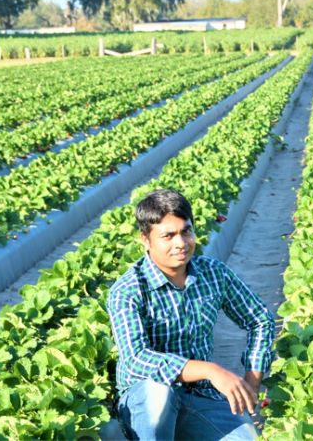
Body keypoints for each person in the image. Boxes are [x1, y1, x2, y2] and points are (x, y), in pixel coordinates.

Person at [107, 189, 275, 440]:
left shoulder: (213, 273)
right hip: (147, 397)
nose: (181, 243)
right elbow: (136, 360)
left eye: (186, 231)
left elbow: (260, 318)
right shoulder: (128, 290)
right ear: (145, 240)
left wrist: (251, 382)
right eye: (168, 235)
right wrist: (210, 370)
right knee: (158, 395)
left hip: (201, 396)